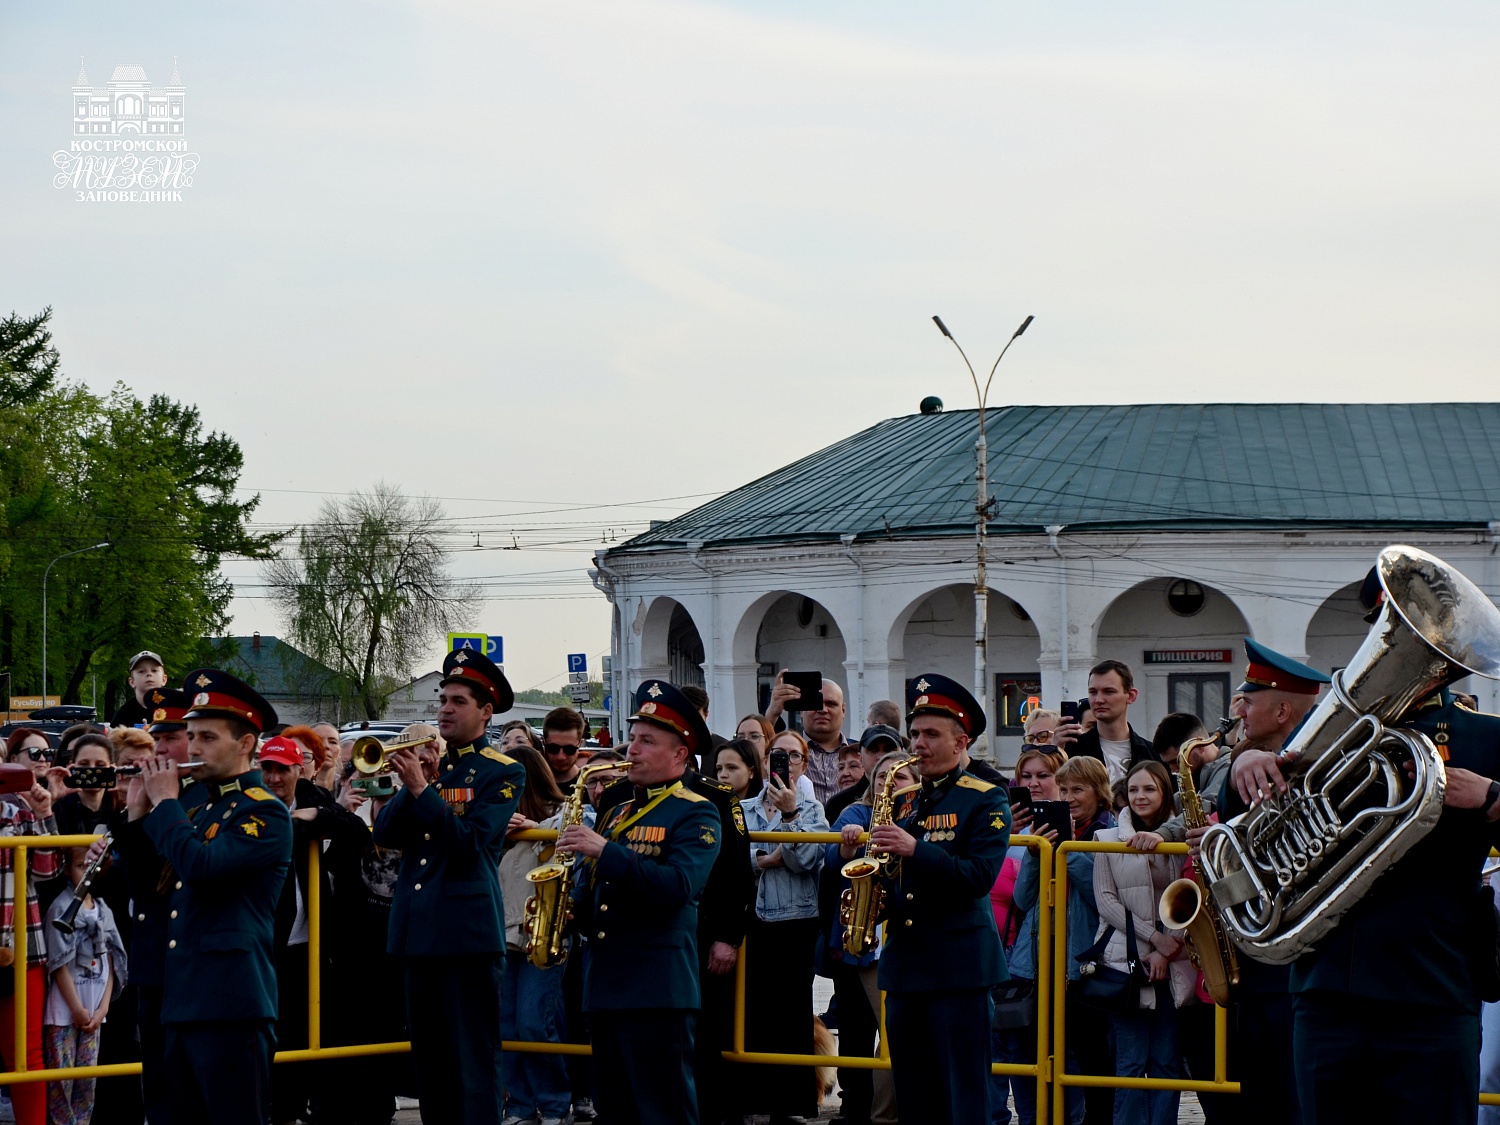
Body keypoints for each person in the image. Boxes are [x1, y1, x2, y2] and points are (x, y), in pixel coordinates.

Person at [557, 679, 721, 1125]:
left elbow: (678, 886)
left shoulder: (697, 810)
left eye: (647, 741)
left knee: (663, 1111)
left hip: (657, 990)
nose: (632, 750)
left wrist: (604, 851)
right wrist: (570, 913)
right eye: (632, 738)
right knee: (616, 1112)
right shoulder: (617, 811)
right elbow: (605, 895)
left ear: (680, 754)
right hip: (607, 984)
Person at [373, 647, 525, 1125]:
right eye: (443, 698)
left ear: (485, 711)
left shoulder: (502, 771)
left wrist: (422, 789)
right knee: (432, 1067)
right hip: (418, 935)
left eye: (458, 700)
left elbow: (471, 843)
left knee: (472, 1066)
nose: (444, 708)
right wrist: (413, 784)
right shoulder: (437, 771)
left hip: (465, 938)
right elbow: (385, 835)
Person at [134, 669, 292, 1125]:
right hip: (185, 1001)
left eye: (207, 736)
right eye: (191, 735)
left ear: (245, 745)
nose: (194, 747)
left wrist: (165, 805)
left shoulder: (263, 810)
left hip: (232, 1003)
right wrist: (137, 810)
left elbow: (202, 867)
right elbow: (152, 885)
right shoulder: (201, 807)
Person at [874, 673, 1010, 1125]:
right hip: (908, 964)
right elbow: (901, 882)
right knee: (917, 1098)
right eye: (914, 734)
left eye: (932, 734)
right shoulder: (908, 801)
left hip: (959, 968)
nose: (919, 744)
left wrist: (916, 849)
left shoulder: (986, 798)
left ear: (961, 741)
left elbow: (978, 877)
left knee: (964, 1099)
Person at [1211, 638, 1326, 1125]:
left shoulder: (1325, 764)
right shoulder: (1241, 765)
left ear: (1282, 710)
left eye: (1248, 700)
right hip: (1257, 962)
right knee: (1262, 1096)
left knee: (1300, 1097)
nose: (1238, 708)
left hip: (1305, 963)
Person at [110, 687, 199, 1125]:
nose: (160, 748)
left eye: (171, 738)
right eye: (158, 738)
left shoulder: (202, 798)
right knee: (160, 1092)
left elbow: (181, 873)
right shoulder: (159, 793)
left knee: (193, 1094)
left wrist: (158, 807)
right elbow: (143, 886)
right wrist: (133, 815)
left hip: (192, 963)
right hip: (153, 958)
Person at [1093, 761, 1193, 1125]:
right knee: (1130, 1062)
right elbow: (1106, 901)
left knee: (1166, 1061)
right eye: (1134, 789)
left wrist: (1171, 944)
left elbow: (1190, 894)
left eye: (1149, 789)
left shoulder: (1183, 836)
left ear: (1165, 792)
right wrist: (1154, 941)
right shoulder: (1105, 840)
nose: (1140, 796)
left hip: (1176, 960)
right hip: (1127, 963)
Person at [997, 747, 1088, 1125]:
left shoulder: (1099, 828)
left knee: (1071, 1056)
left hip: (1075, 962)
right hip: (1028, 960)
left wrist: (1063, 847)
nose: (1034, 784)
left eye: (1043, 776)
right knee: (1023, 1055)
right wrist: (1035, 849)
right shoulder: (1017, 833)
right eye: (1027, 777)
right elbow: (1022, 898)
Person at [741, 726, 828, 1124]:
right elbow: (737, 863)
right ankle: (756, 1099)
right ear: (765, 761)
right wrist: (769, 858)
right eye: (778, 754)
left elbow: (806, 861)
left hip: (795, 921)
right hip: (753, 920)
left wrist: (790, 816)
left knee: (793, 1012)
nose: (786, 762)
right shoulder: (744, 810)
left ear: (804, 764)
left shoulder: (812, 811)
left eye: (794, 756)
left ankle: (793, 1105)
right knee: (755, 1009)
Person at [826, 752, 914, 1125]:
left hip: (912, 937)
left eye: (902, 777)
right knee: (892, 1035)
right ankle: (883, 1117)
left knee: (900, 1035)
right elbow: (834, 860)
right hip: (868, 940)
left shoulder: (924, 817)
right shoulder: (857, 813)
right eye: (882, 778)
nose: (890, 784)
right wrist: (848, 845)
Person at [496, 744, 570, 1125]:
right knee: (506, 1022)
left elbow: (570, 853)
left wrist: (536, 832)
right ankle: (520, 1104)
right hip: (501, 930)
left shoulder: (561, 815)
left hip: (544, 930)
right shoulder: (491, 816)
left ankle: (556, 1104)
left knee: (534, 1021)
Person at [42, 844, 127, 1125]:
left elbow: (113, 962)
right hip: (65, 1014)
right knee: (61, 1083)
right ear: (67, 869)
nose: (87, 872)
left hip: (93, 1013)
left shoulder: (104, 910)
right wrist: (77, 1009)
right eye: (80, 866)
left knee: (86, 1083)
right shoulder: (60, 907)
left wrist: (103, 1009)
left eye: (92, 867)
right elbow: (58, 966)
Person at [0, 762, 63, 1125]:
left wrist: (44, 813)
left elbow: (46, 872)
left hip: (22, 948)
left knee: (25, 1055)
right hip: (18, 945)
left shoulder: (18, 812)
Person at [1068, 661, 1157, 785]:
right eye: (1093, 692)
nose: (1098, 700)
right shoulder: (1072, 750)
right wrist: (1056, 752)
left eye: (1109, 692)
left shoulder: (1153, 754)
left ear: (1131, 696)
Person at [765, 673, 850, 803]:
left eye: (831, 704)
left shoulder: (860, 752)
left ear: (843, 710)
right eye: (815, 703)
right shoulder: (785, 752)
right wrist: (773, 712)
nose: (822, 710)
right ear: (801, 710)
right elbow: (753, 756)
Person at [825, 724, 903, 824]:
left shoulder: (918, 797)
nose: (881, 756)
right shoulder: (838, 804)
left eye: (889, 750)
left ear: (903, 755)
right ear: (861, 758)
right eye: (873, 750)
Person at [107, 652, 167, 728]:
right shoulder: (125, 714)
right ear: (132, 681)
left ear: (164, 679)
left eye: (154, 670)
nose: (149, 674)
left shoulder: (174, 707)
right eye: (141, 671)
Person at [541, 707, 587, 795]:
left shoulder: (591, 787)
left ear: (580, 744)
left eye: (569, 750)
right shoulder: (530, 784)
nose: (561, 757)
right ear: (544, 741)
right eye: (553, 748)